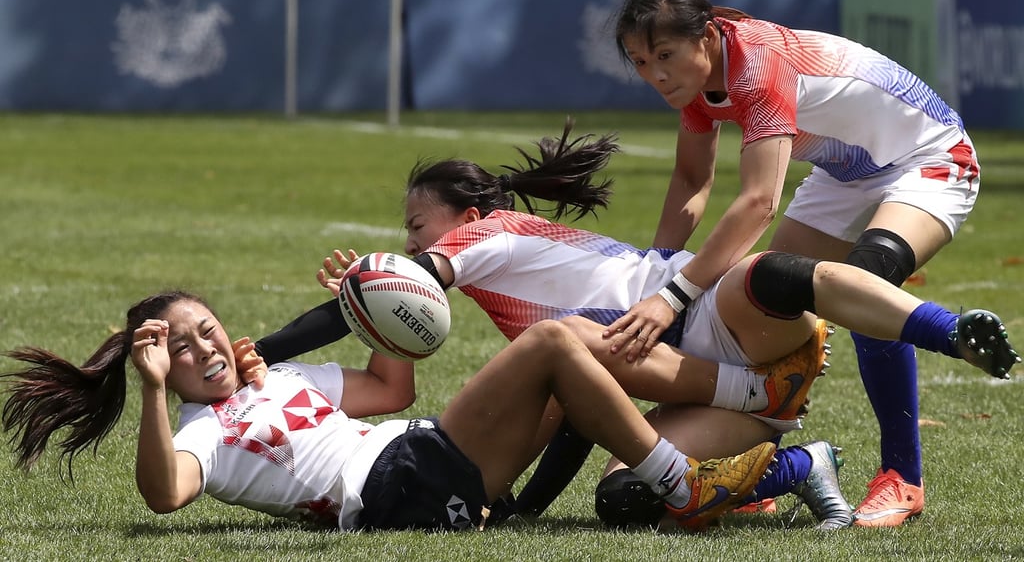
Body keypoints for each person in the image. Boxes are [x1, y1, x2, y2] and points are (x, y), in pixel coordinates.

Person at [256, 122, 1017, 529]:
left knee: (776, 272)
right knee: (626, 501)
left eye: (417, 225)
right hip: (722, 388)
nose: (414, 243)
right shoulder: (515, 295)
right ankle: (799, 465)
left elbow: (411, 288)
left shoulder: (483, 238)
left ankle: (949, 330)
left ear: (467, 218)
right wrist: (523, 509)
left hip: (717, 323)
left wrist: (264, 346)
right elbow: (576, 407)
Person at [607, 0, 1015, 526]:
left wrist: (674, 297)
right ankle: (763, 465)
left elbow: (756, 203)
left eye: (664, 55)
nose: (655, 74)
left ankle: (902, 479)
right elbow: (689, 180)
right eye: (638, 61)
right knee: (764, 316)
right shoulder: (701, 79)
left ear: (705, 36)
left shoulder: (756, 64)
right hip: (845, 171)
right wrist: (654, 272)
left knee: (864, 287)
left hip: (928, 156)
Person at [0, 290, 778, 531]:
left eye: (205, 328)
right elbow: (164, 492)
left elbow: (390, 390)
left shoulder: (275, 376)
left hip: (415, 453)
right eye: (180, 347)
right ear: (161, 362)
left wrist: (372, 307)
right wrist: (153, 393)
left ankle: (746, 394)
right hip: (393, 485)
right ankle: (685, 481)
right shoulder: (204, 427)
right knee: (551, 341)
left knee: (575, 332)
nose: (202, 348)